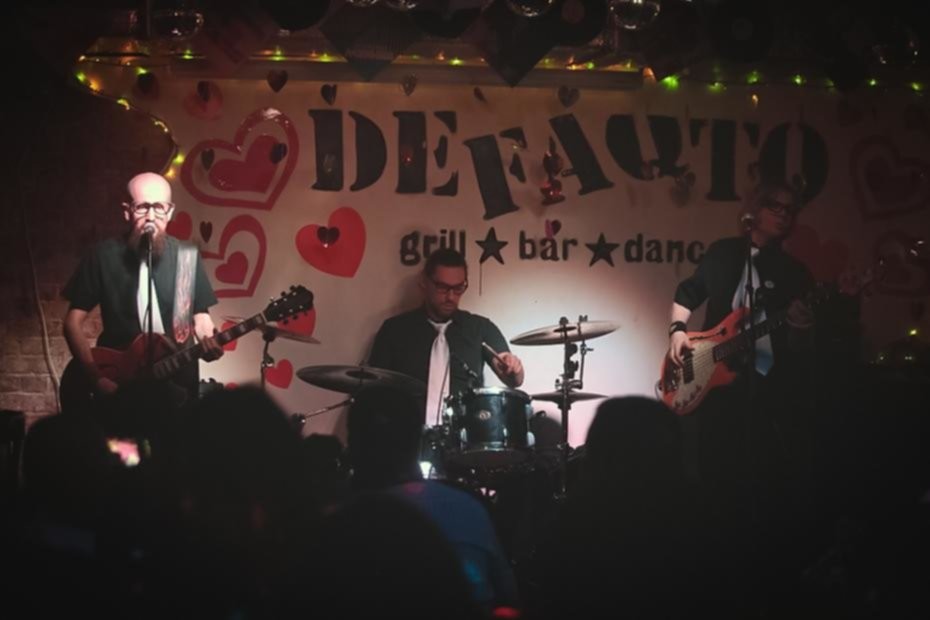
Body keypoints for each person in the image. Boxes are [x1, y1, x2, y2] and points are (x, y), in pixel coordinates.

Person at [666, 181, 819, 604]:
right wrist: (677, 331)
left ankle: (760, 588)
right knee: (715, 484)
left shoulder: (795, 274)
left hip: (768, 393)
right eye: (775, 205)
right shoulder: (723, 254)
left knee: (765, 489)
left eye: (791, 208)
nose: (784, 213)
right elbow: (687, 293)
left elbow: (801, 350)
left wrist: (802, 328)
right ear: (755, 209)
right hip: (716, 389)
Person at [62, 172, 222, 404]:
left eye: (159, 207)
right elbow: (72, 322)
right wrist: (96, 377)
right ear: (127, 211)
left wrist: (209, 341)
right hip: (121, 383)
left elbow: (200, 317)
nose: (151, 217)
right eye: (142, 207)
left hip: (178, 382)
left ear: (170, 211)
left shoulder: (186, 257)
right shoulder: (102, 256)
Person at [368, 248, 524, 427]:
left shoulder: (480, 328)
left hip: (464, 435)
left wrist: (513, 369)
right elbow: (374, 389)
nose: (450, 297)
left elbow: (514, 380)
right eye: (442, 287)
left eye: (458, 288)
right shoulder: (394, 330)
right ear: (424, 283)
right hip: (406, 432)